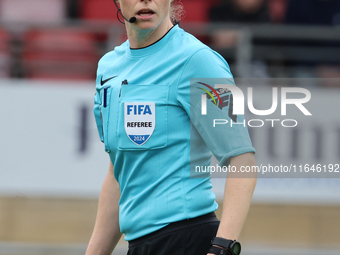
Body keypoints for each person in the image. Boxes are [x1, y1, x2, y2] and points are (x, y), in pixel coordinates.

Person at [86, 1, 257, 255]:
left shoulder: (199, 60)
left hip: (188, 240)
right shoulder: (108, 69)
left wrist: (222, 248)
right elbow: (118, 174)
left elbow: (242, 160)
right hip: (139, 245)